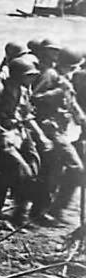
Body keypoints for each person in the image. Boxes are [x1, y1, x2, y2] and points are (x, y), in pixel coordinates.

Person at [0, 53, 43, 226]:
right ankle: (17, 216)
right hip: (2, 137)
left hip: (19, 135)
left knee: (25, 169)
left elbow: (26, 115)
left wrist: (39, 136)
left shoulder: (23, 90)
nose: (31, 79)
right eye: (28, 75)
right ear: (17, 74)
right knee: (22, 173)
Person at [29, 41, 85, 226]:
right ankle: (47, 210)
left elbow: (72, 104)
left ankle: (44, 210)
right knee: (74, 168)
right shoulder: (51, 76)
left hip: (60, 130)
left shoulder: (63, 79)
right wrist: (56, 93)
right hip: (49, 129)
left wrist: (80, 118)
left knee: (53, 170)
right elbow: (33, 98)